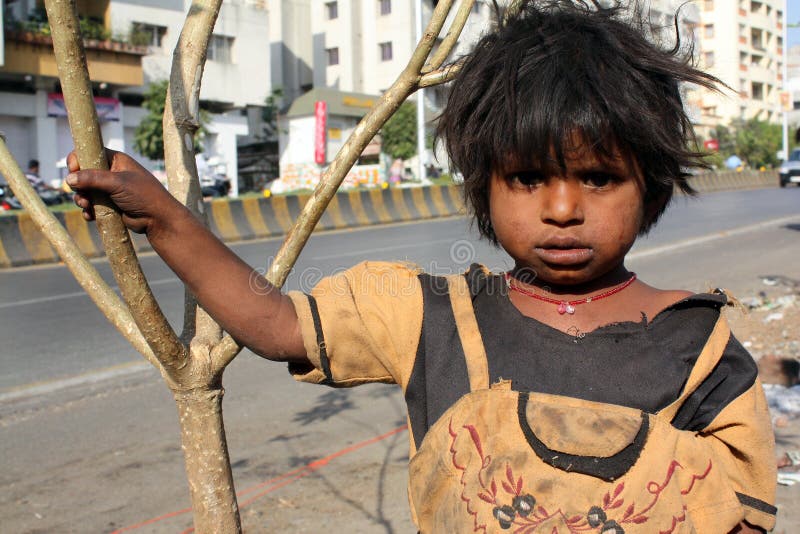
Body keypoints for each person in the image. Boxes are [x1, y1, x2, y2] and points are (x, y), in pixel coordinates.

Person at [65, 1, 775, 532]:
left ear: (649, 183)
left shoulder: (702, 349)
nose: (562, 208)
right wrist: (164, 217)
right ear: (483, 187)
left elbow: (742, 514)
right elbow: (276, 322)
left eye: (597, 178)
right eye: (528, 178)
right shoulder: (429, 317)